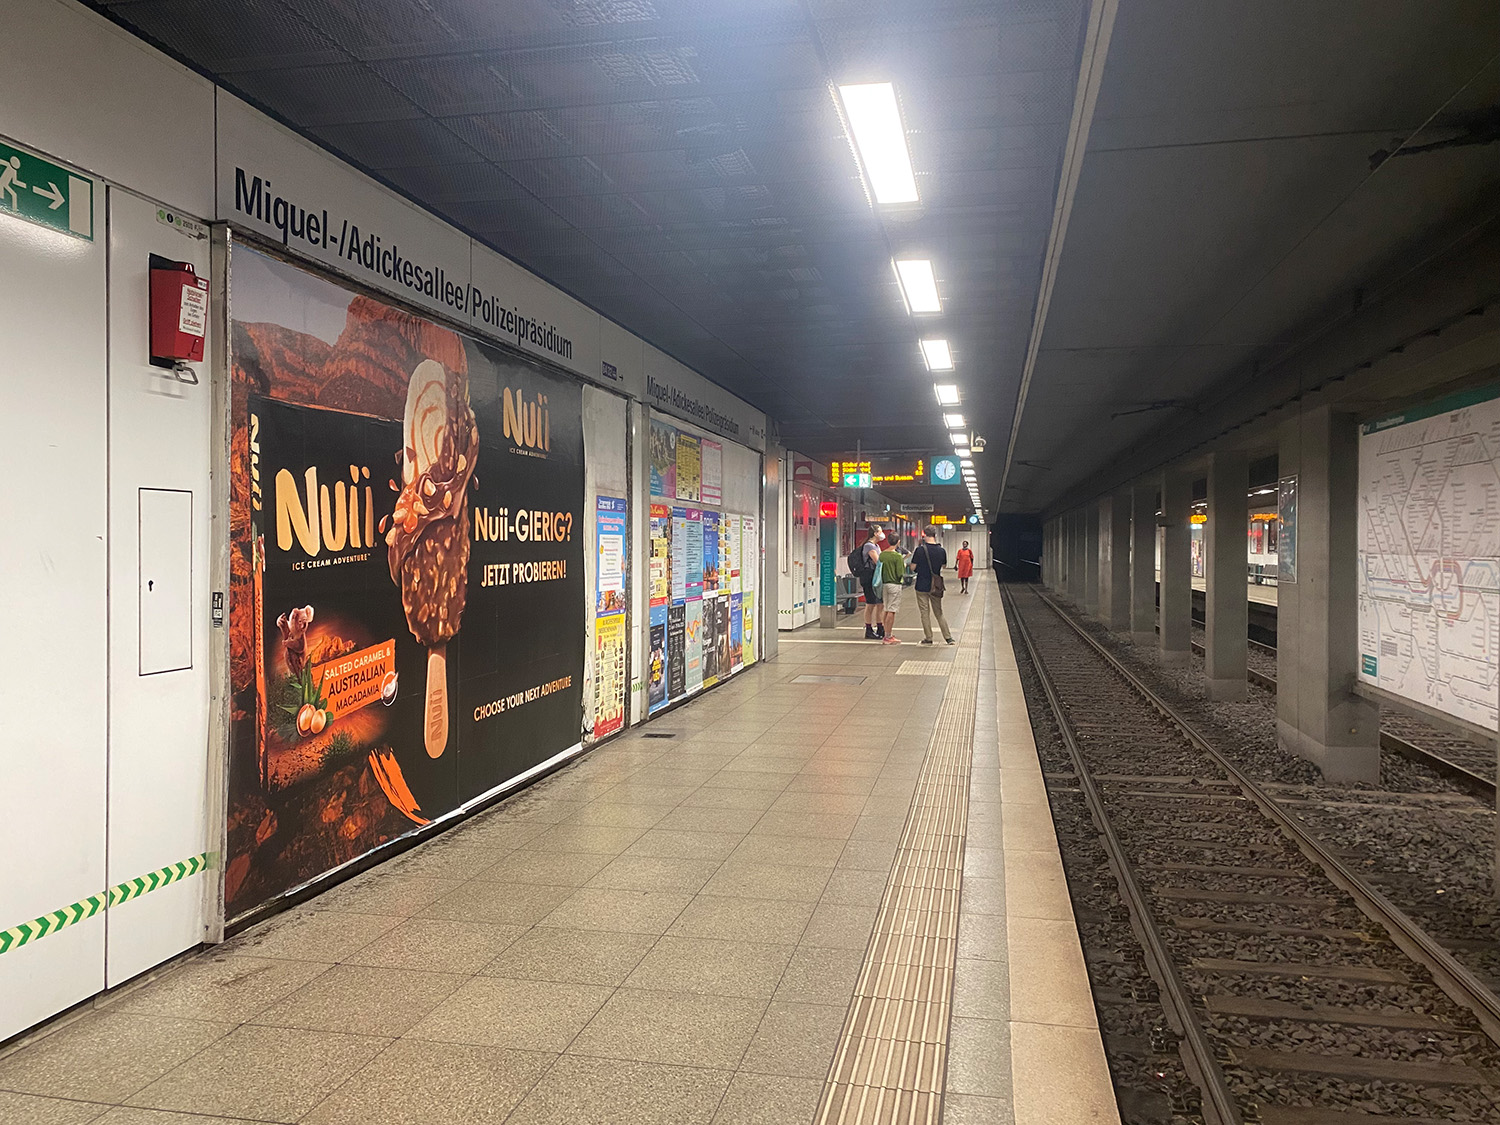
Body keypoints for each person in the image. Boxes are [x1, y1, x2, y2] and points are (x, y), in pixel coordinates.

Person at [913, 526, 954, 645]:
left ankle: (929, 637)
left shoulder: (920, 550)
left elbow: (913, 567)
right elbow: (944, 566)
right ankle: (948, 637)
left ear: (924, 534)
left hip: (921, 585)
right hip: (935, 586)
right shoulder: (941, 551)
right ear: (935, 535)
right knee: (939, 612)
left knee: (924, 613)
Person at [877, 539, 907, 645]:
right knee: (891, 610)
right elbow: (900, 573)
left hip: (884, 584)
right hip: (894, 584)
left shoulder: (882, 555)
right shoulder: (897, 556)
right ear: (898, 542)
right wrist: (904, 566)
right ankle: (888, 636)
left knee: (886, 608)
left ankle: (885, 634)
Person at [860, 526, 886, 640]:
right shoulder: (869, 546)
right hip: (868, 577)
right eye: (880, 531)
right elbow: (878, 561)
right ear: (875, 533)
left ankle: (880, 627)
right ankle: (868, 629)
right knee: (870, 603)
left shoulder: (876, 546)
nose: (882, 534)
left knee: (879, 603)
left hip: (875, 577)